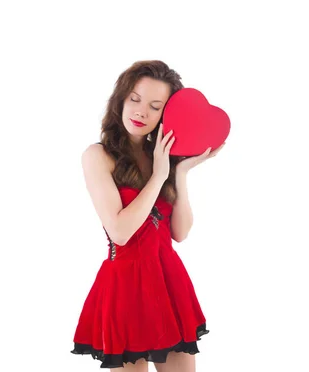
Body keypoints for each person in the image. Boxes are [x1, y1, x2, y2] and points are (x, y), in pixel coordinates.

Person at [71, 60, 224, 371]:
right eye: (135, 100)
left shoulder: (163, 157)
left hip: (169, 281)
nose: (141, 112)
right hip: (126, 285)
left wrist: (179, 172)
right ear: (121, 99)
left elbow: (179, 233)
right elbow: (120, 232)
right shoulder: (98, 156)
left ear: (166, 115)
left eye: (155, 107)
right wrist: (158, 177)